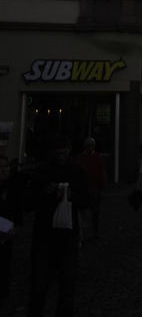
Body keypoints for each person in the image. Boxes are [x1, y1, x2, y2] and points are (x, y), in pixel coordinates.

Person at [25, 134, 89, 317]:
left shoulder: (77, 171)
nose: (61, 153)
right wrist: (46, 192)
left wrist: (71, 196)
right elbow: (28, 204)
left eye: (65, 148)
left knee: (67, 289)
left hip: (67, 238)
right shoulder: (41, 172)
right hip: (44, 238)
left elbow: (85, 201)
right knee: (39, 288)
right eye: (58, 149)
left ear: (69, 150)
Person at [0, 154, 23, 310]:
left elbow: (17, 210)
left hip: (5, 235)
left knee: (4, 265)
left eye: (6, 167)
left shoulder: (13, 187)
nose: (3, 170)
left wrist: (15, 228)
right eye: (0, 168)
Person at [75, 137, 107, 242]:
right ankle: (81, 233)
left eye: (92, 145)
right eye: (88, 145)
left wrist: (102, 185)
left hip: (94, 187)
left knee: (95, 211)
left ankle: (95, 231)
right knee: (82, 211)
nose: (90, 147)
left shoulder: (97, 157)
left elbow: (101, 171)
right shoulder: (80, 158)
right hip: (83, 188)